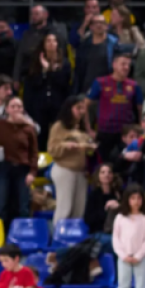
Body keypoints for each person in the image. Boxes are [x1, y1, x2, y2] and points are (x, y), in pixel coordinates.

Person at [47, 95, 96, 238]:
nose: (81, 111)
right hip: (64, 169)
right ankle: (58, 237)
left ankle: (74, 240)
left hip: (81, 172)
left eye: (83, 108)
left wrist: (90, 147)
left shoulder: (81, 128)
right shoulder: (59, 126)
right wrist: (67, 145)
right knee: (65, 207)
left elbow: (89, 148)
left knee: (79, 209)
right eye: (78, 108)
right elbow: (52, 149)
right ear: (69, 109)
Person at [0, 95, 38, 231]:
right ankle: (1, 238)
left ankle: (22, 235)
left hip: (22, 169)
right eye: (13, 106)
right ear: (7, 109)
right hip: (3, 167)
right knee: (2, 204)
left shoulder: (29, 128)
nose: (16, 109)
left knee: (23, 206)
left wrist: (32, 172)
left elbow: (34, 152)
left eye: (19, 106)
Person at [112, 186, 145, 288]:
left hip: (142, 258)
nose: (136, 201)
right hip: (124, 258)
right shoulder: (120, 217)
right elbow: (116, 238)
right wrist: (123, 255)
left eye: (139, 198)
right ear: (127, 200)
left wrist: (138, 256)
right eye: (133, 198)